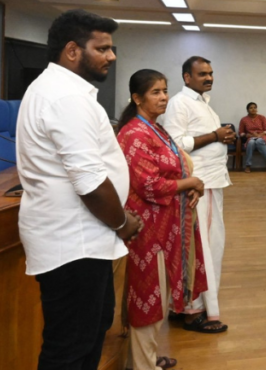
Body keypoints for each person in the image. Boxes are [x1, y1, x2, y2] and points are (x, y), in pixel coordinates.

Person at [17, 9, 142, 370]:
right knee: (69, 348)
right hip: (74, 244)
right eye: (102, 48)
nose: (112, 56)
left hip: (84, 240)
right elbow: (89, 183)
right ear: (72, 51)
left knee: (90, 333)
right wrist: (121, 223)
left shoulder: (62, 90)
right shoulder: (65, 98)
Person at [116, 69, 209, 369]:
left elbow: (176, 169)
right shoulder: (134, 133)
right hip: (146, 228)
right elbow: (149, 185)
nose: (164, 97)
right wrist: (190, 184)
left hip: (166, 222)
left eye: (165, 90)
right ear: (137, 97)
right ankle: (142, 365)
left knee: (158, 295)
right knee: (148, 298)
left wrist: (190, 187)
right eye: (156, 92)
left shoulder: (155, 128)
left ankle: (144, 359)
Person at [160, 56, 234, 333]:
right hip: (198, 185)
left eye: (211, 73)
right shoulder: (180, 103)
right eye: (202, 74)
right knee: (202, 248)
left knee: (207, 246)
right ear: (186, 77)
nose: (209, 78)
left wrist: (221, 136)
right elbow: (176, 145)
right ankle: (194, 311)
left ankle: (182, 306)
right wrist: (215, 136)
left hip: (211, 182)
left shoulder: (202, 103)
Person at [238, 102, 266, 172]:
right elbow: (241, 132)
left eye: (255, 107)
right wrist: (246, 135)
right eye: (251, 108)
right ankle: (248, 165)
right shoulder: (244, 119)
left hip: (262, 136)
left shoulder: (262, 118)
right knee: (251, 142)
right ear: (247, 110)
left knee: (259, 141)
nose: (253, 109)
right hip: (251, 137)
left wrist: (260, 135)